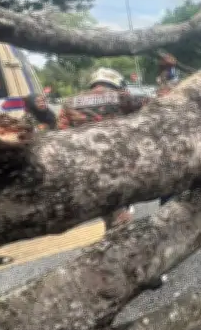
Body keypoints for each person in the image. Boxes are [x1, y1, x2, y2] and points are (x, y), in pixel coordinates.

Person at [58, 68, 142, 228]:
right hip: (116, 162)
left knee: (107, 209)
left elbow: (61, 133)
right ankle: (120, 241)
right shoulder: (122, 97)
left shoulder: (70, 101)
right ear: (115, 82)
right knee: (120, 214)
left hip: (85, 163)